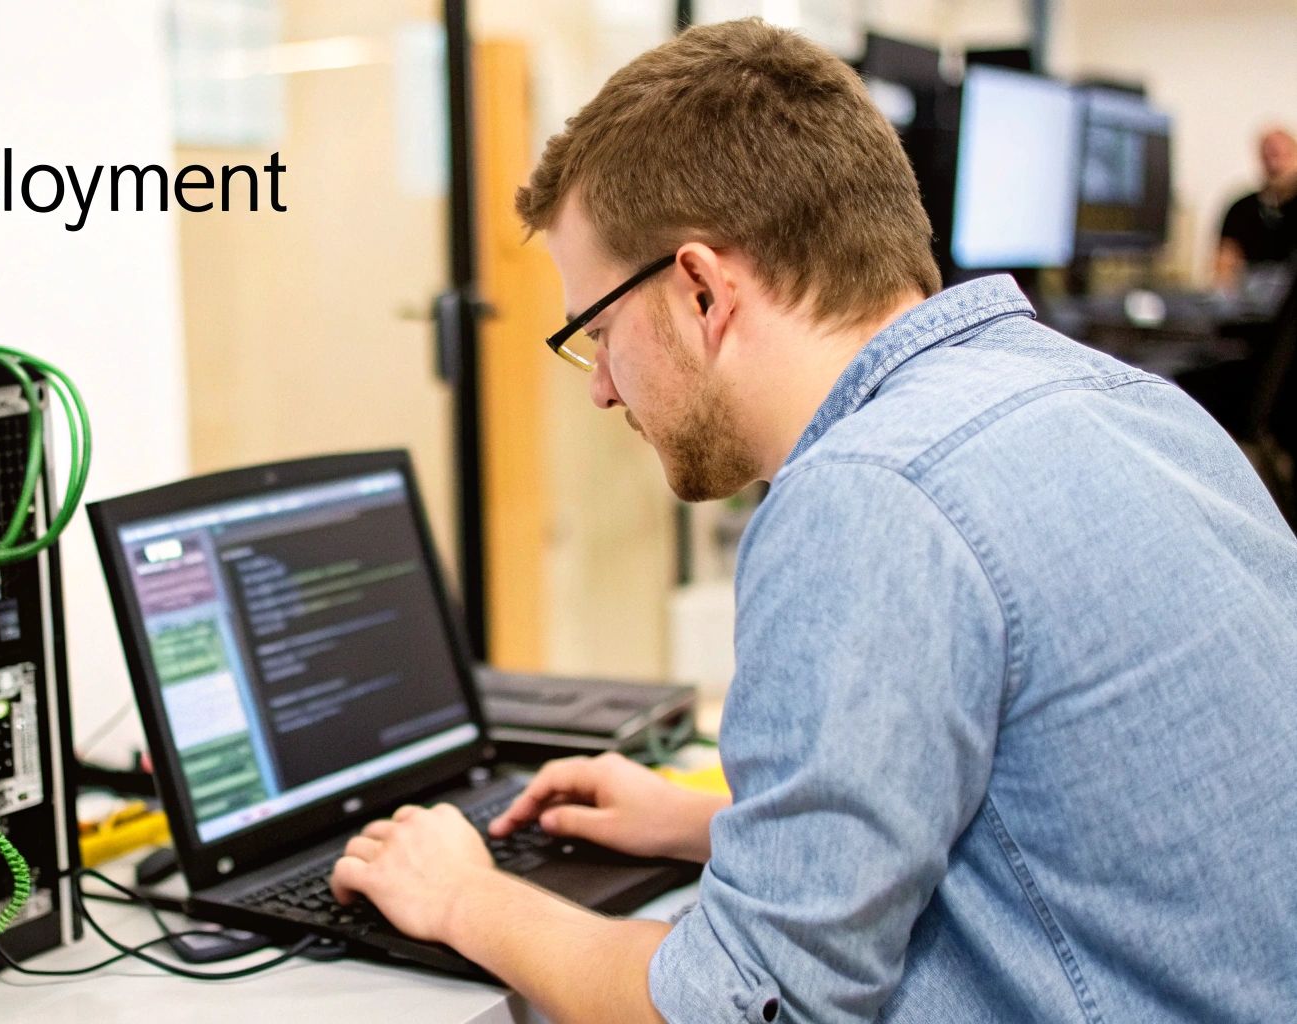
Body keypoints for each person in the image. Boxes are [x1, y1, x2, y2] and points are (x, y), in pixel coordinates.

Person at [326, 19, 1297, 1024]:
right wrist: (705, 823)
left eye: (599, 333)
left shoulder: (866, 496)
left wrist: (463, 895)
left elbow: (741, 1008)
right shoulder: (1108, 394)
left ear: (700, 289)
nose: (601, 391)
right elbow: (1055, 815)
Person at [1215, 126, 1297, 291]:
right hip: (1251, 302)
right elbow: (1224, 266)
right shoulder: (1241, 209)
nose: (1275, 164)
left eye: (1283, 155)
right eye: (1269, 156)